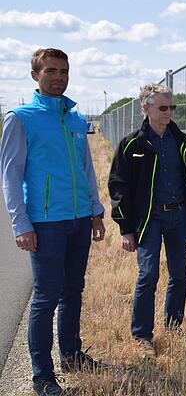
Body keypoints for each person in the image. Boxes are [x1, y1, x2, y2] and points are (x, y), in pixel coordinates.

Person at [1, 48, 106, 396]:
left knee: (73, 290)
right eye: (51, 71)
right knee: (45, 297)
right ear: (35, 75)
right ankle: (42, 376)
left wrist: (95, 210)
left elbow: (85, 169)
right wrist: (21, 224)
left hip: (78, 218)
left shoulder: (75, 118)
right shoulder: (21, 118)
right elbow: (11, 176)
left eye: (64, 71)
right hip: (45, 222)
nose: (58, 77)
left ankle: (72, 355)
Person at [107, 84, 186, 357]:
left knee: (178, 276)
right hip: (149, 219)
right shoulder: (132, 145)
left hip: (179, 217)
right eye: (163, 107)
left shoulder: (184, 142)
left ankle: (174, 328)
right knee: (148, 274)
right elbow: (118, 187)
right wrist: (125, 228)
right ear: (146, 108)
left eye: (171, 107)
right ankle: (142, 337)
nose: (168, 113)